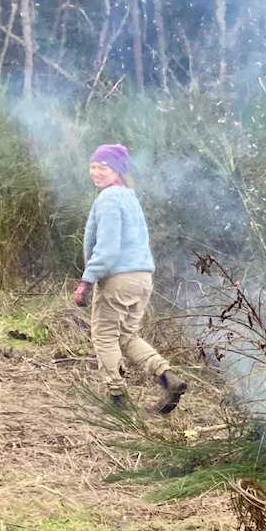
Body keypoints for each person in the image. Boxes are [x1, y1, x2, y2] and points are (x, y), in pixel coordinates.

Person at [78, 143, 188, 414]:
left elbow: (108, 247)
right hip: (142, 278)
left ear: (116, 170)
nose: (95, 172)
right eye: (92, 166)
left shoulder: (110, 199)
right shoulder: (129, 197)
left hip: (119, 278)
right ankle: (167, 377)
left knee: (104, 336)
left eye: (102, 167)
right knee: (127, 336)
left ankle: (117, 397)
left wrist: (87, 280)